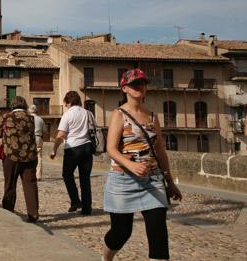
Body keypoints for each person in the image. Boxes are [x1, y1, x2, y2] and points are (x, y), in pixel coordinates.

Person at [102, 69, 182, 261]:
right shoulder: (119, 114)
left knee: (158, 234)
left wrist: (170, 181)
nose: (139, 86)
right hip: (123, 181)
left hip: (152, 181)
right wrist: (131, 165)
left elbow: (160, 151)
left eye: (142, 83)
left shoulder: (153, 117)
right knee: (121, 233)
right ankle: (106, 258)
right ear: (124, 88)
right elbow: (111, 149)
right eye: (134, 84)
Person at [50, 91, 94, 215]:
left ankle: (75, 201)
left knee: (67, 175)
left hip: (73, 149)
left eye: (66, 103)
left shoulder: (68, 114)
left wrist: (54, 150)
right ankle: (87, 208)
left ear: (69, 102)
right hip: (87, 148)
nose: (66, 106)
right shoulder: (88, 113)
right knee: (85, 178)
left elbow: (61, 135)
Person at [0, 96, 39, 223]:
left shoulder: (6, 117)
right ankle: (33, 214)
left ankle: (8, 212)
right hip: (29, 156)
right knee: (30, 184)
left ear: (13, 105)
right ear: (24, 104)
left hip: (11, 155)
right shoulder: (30, 118)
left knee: (10, 184)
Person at [28, 104, 46, 181]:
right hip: (38, 137)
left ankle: (29, 174)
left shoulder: (28, 118)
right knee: (39, 157)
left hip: (30, 138)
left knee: (29, 156)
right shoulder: (40, 119)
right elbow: (45, 131)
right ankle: (38, 176)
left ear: (29, 111)